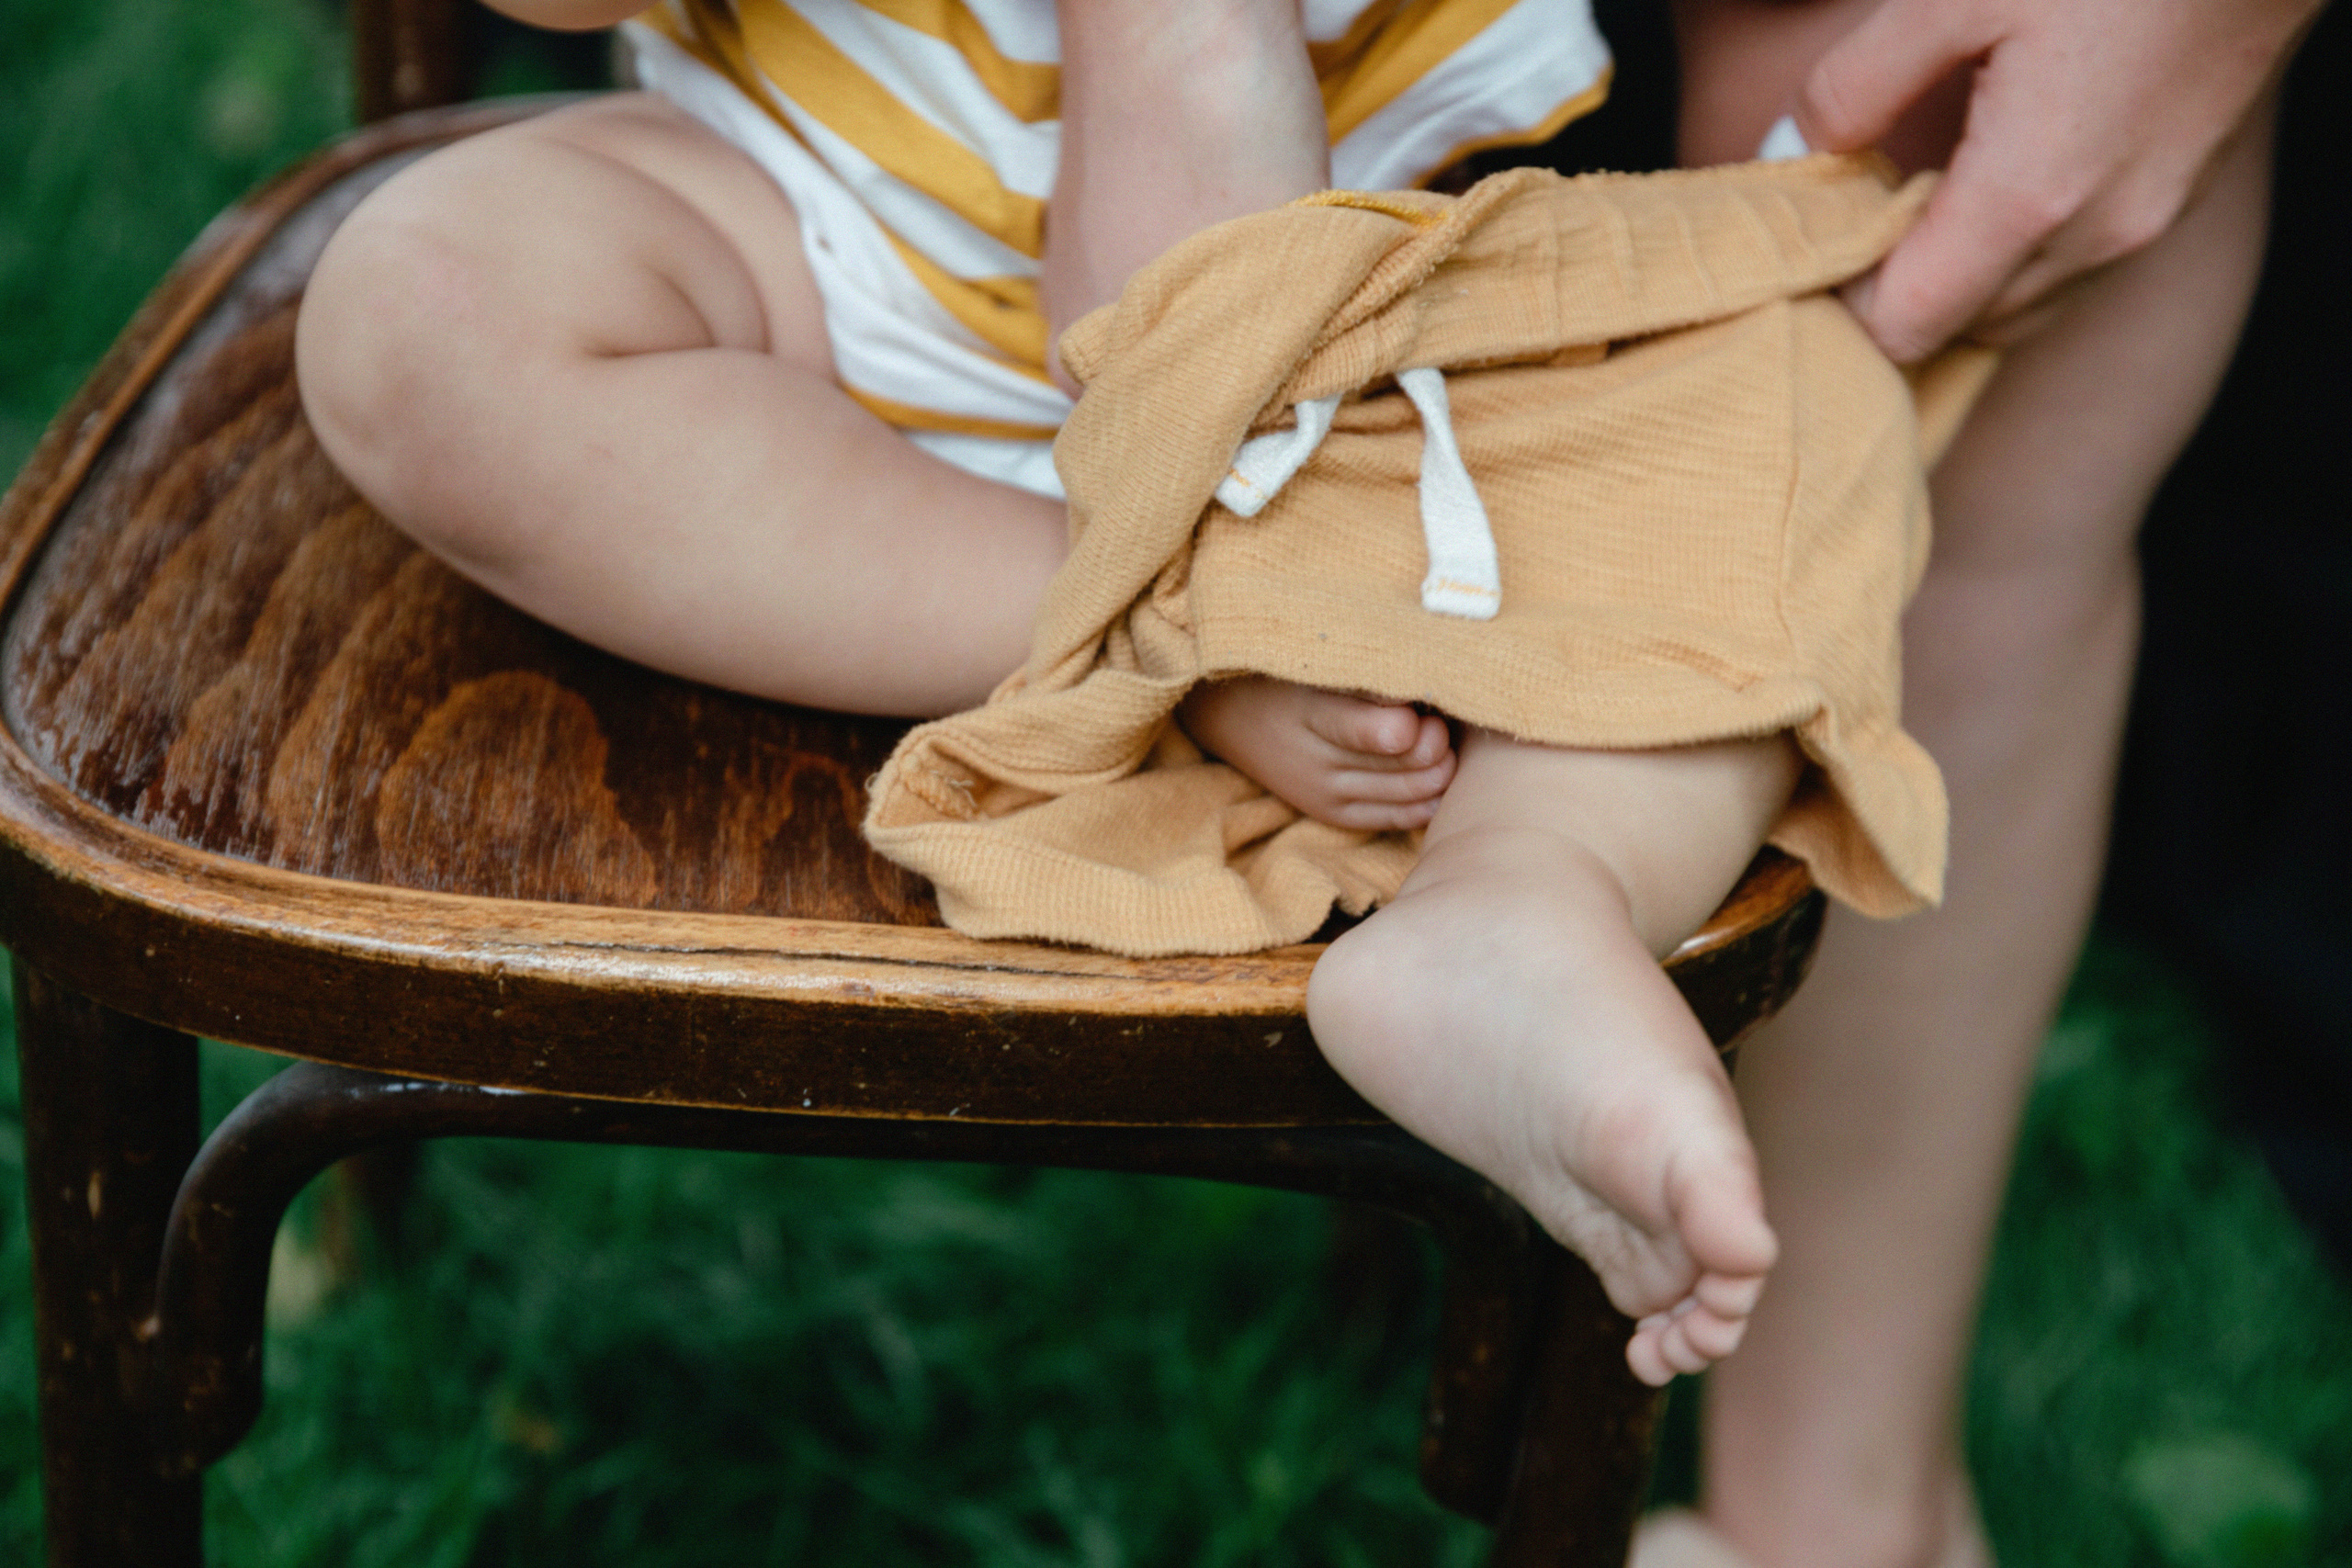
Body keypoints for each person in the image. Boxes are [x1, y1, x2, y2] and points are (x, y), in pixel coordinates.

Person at [292, 0, 2319, 1560]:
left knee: (1773, 421)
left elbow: (1219, 282)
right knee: (434, 306)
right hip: (822, 267)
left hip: (1373, 372)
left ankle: (1527, 900)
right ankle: (1153, 640)